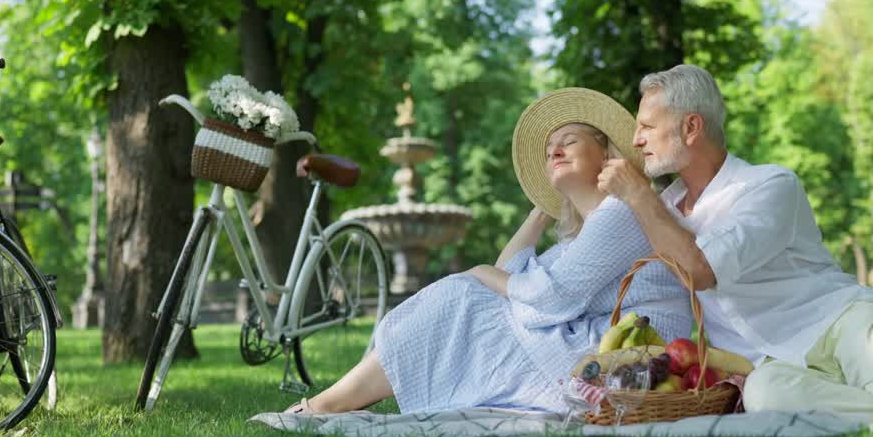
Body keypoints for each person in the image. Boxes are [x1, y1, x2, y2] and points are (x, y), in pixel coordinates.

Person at [597, 64, 873, 424]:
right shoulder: (664, 210)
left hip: (837, 324)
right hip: (770, 365)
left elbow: (699, 270)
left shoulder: (769, 185)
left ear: (691, 127)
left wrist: (636, 193)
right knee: (765, 400)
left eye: (647, 127)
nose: (636, 141)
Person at [285, 88, 692, 415]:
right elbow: (510, 276)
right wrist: (542, 209)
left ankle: (330, 403)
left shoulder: (620, 212)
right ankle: (336, 401)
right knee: (466, 300)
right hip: (597, 346)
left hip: (630, 359)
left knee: (462, 297)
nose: (554, 151)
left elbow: (548, 297)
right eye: (549, 148)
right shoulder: (582, 235)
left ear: (606, 154)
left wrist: (479, 271)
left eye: (568, 141)